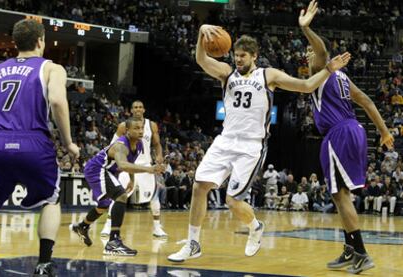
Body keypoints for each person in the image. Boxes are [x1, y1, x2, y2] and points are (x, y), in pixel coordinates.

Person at [168, 23, 350, 262]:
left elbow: (305, 86)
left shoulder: (268, 75)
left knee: (232, 201)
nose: (238, 60)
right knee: (199, 186)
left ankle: (255, 227)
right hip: (225, 140)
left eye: (243, 56)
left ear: (254, 56)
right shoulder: (226, 73)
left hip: (251, 145)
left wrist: (328, 69)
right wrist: (202, 32)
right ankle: (193, 244)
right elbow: (201, 60)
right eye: (236, 56)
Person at [299, 1, 394, 274]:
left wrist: (306, 30)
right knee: (340, 194)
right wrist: (384, 131)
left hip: (339, 132)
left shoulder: (323, 68)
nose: (308, 56)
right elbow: (366, 100)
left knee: (340, 196)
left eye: (309, 52)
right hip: (354, 129)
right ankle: (350, 249)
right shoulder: (341, 77)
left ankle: (362, 254)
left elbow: (321, 50)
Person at [0, 19, 80, 276]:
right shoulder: (52, 68)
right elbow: (57, 101)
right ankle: (43, 263)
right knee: (51, 200)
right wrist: (68, 142)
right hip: (33, 142)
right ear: (41, 41)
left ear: (15, 43)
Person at [70, 117, 164, 255]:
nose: (140, 131)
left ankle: (82, 226)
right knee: (121, 195)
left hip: (108, 170)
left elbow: (129, 163)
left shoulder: (138, 145)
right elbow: (123, 165)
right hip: (97, 169)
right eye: (136, 128)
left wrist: (131, 180)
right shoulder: (120, 145)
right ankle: (113, 242)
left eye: (142, 128)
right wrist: (149, 169)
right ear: (127, 131)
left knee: (104, 204)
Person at [100, 100, 168, 237]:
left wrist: (159, 156)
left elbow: (157, 144)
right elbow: (113, 145)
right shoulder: (123, 126)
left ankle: (157, 228)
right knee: (119, 195)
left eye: (140, 107)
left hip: (146, 166)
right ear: (131, 110)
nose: (138, 109)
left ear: (144, 110)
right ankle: (108, 226)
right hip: (128, 165)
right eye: (135, 107)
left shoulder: (151, 125)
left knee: (154, 197)